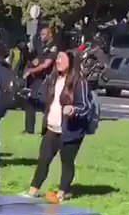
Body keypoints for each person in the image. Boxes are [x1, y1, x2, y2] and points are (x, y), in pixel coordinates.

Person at [24, 50, 91, 201]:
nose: (58, 61)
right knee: (43, 160)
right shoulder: (52, 79)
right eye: (57, 58)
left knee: (66, 162)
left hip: (70, 130)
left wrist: (74, 109)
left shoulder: (79, 82)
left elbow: (86, 106)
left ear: (71, 62)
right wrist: (30, 98)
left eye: (62, 58)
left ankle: (63, 191)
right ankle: (32, 191)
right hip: (51, 129)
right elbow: (45, 102)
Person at [22, 26, 58, 134]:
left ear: (50, 35)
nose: (41, 36)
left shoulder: (53, 47)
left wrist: (31, 70)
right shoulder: (43, 47)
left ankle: (47, 129)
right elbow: (38, 59)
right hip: (37, 79)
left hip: (47, 79)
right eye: (41, 34)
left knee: (45, 104)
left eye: (44, 34)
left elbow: (46, 64)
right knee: (30, 101)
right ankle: (29, 129)